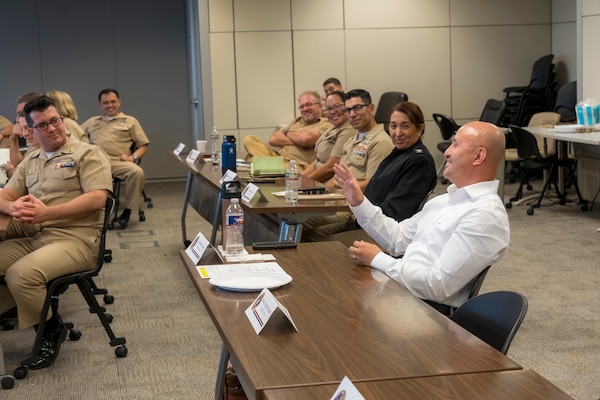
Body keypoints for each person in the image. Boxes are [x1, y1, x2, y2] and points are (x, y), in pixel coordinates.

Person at [334, 121, 509, 315]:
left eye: (456, 145)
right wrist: (358, 201)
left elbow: (439, 285)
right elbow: (396, 239)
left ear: (478, 156)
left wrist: (379, 259)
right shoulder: (443, 201)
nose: (447, 152)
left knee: (340, 310)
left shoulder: (485, 215)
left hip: (429, 312)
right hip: (402, 293)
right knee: (334, 297)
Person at [0, 95, 112, 369]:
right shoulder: (32, 159)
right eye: (42, 125)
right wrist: (13, 206)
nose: (52, 128)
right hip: (39, 236)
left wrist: (47, 213)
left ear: (62, 120)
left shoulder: (87, 153)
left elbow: (97, 199)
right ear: (31, 130)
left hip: (77, 240)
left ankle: (51, 328)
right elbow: (6, 194)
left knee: (21, 275)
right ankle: (26, 308)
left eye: (55, 121)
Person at [303, 101, 433, 242]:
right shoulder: (399, 153)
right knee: (306, 233)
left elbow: (396, 210)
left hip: (383, 231)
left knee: (315, 241)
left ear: (420, 129)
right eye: (393, 126)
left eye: (405, 126)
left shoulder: (419, 161)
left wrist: (361, 213)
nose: (397, 133)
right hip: (366, 220)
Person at [81, 88, 149, 229]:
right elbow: (74, 136)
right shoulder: (92, 121)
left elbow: (143, 146)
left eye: (113, 101)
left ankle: (127, 212)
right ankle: (82, 212)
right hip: (95, 162)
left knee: (137, 172)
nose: (110, 105)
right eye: (105, 102)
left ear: (119, 102)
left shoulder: (130, 121)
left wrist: (132, 157)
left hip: (117, 162)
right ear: (100, 105)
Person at [242, 90, 333, 171]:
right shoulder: (297, 121)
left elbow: (307, 140)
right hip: (278, 157)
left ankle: (256, 163)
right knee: (249, 139)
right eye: (301, 106)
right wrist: (299, 140)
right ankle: (262, 164)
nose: (305, 109)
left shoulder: (326, 123)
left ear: (320, 106)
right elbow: (273, 140)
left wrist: (287, 134)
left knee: (252, 160)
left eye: (308, 104)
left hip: (297, 164)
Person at [324, 89, 393, 191]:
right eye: (348, 110)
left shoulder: (381, 142)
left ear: (371, 108)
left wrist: (337, 195)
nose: (352, 114)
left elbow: (371, 185)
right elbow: (337, 177)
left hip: (353, 200)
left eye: (357, 108)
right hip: (338, 195)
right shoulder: (351, 141)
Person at [301, 91, 356, 182]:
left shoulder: (348, 130)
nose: (333, 112)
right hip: (317, 182)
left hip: (328, 184)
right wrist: (298, 179)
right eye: (328, 109)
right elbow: (317, 163)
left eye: (336, 107)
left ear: (346, 106)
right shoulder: (333, 128)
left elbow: (331, 168)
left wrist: (303, 183)